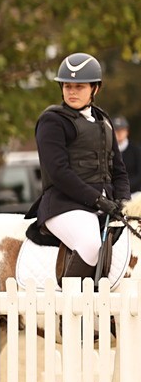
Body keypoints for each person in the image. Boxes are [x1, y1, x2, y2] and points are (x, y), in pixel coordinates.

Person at [27, 53, 131, 280]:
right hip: (64, 205)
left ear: (95, 89)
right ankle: (69, 309)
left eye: (79, 87)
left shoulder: (104, 121)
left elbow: (118, 169)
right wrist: (97, 199)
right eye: (67, 86)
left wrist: (123, 200)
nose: (72, 91)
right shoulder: (52, 121)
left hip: (104, 204)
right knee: (90, 243)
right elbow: (59, 173)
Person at [113, 116, 141, 195]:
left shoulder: (136, 150)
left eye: (122, 130)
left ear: (127, 131)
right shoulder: (108, 150)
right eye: (116, 130)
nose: (119, 133)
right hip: (114, 192)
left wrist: (125, 187)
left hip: (135, 192)